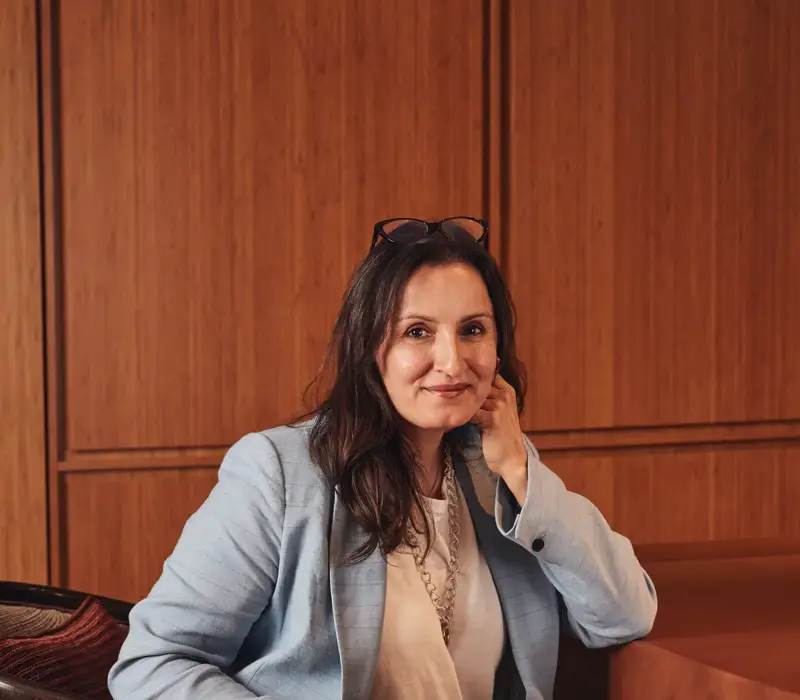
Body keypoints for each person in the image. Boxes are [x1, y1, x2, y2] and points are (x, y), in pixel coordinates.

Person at [108, 217, 657, 700]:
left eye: (473, 330)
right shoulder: (278, 474)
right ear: (371, 347)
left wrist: (521, 473)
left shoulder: (502, 473)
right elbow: (152, 665)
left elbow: (622, 617)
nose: (452, 362)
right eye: (417, 332)